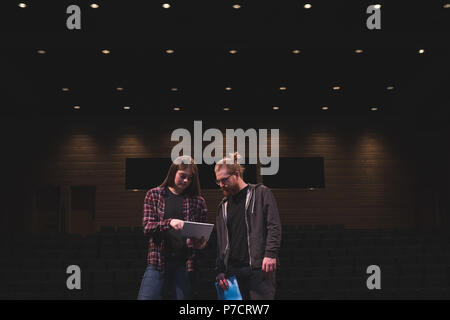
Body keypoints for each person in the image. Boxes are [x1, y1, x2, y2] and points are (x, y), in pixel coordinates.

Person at [137, 155, 208, 300]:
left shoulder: (198, 201)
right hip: (158, 261)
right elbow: (147, 227)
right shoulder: (154, 194)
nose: (186, 181)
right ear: (173, 172)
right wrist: (168, 222)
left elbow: (201, 234)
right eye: (182, 176)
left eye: (190, 178)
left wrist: (201, 244)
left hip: (185, 263)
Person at [214, 152, 282, 300]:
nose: (221, 185)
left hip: (258, 269)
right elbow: (221, 242)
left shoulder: (261, 193)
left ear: (237, 174)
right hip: (232, 272)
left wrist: (270, 254)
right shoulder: (223, 206)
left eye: (224, 180)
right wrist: (220, 270)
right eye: (218, 181)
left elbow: (274, 226)